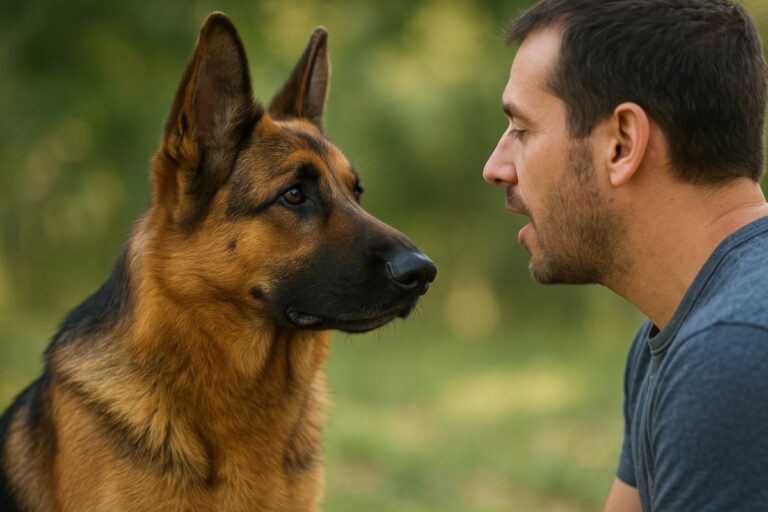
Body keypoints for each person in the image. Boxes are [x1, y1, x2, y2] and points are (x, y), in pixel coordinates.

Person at [483, 0, 768, 510]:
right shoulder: (674, 333)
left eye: (522, 129)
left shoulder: (735, 351)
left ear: (622, 144)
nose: (496, 167)